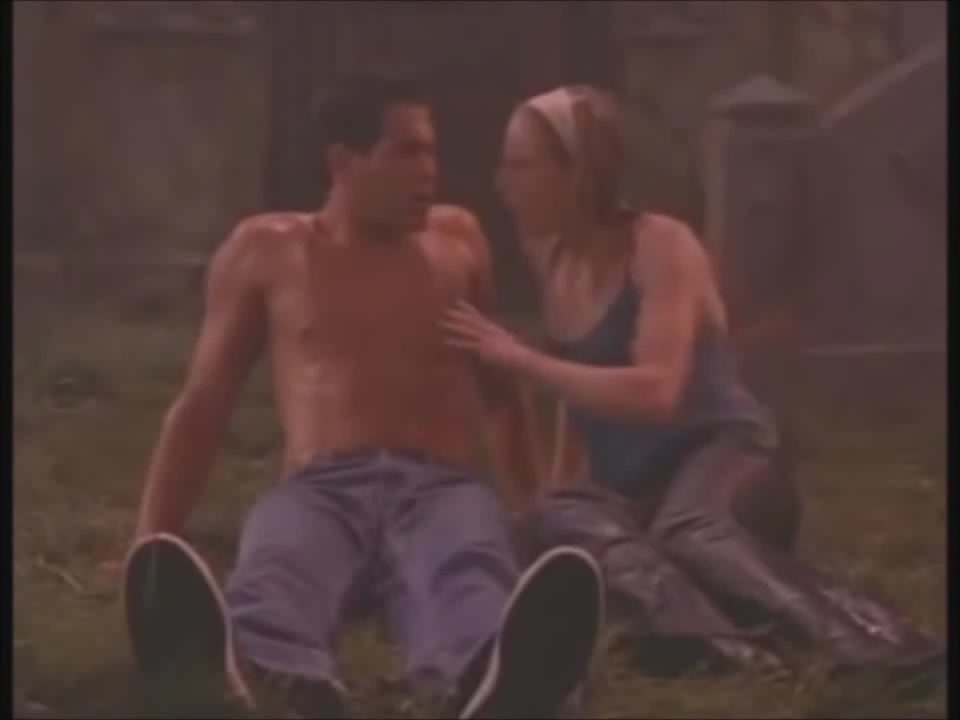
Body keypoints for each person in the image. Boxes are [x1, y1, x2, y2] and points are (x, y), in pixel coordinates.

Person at [123, 72, 604, 719]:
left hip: (442, 486)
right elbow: (203, 404)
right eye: (406, 152)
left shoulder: (458, 242)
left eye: (431, 151)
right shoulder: (267, 250)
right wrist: (152, 543)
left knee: (468, 569)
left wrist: (533, 516)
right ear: (344, 163)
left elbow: (501, 397)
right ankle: (271, 679)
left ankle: (495, 681)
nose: (429, 172)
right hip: (320, 486)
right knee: (278, 568)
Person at [442, 85, 943, 678]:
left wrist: (523, 361)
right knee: (549, 516)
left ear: (576, 171)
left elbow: (659, 392)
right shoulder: (554, 259)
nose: (503, 184)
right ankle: (720, 645)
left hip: (728, 460)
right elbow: (577, 408)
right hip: (638, 492)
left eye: (521, 166)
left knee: (690, 530)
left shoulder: (660, 244)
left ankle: (873, 644)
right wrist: (558, 503)